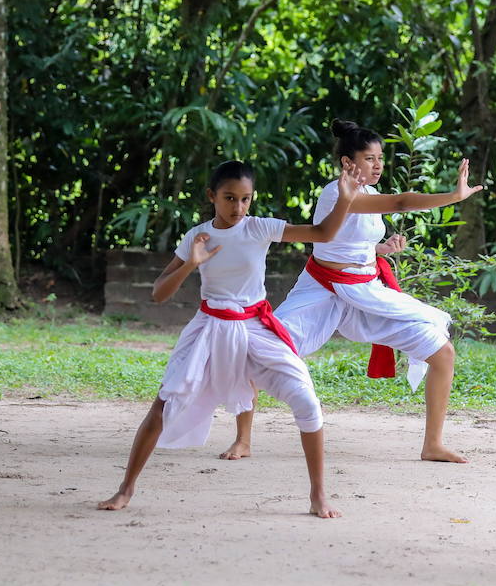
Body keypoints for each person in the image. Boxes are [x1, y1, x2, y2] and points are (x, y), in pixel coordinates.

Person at [97, 159, 366, 519]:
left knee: (306, 401)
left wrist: (345, 200)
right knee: (164, 404)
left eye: (245, 199)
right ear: (212, 196)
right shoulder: (197, 236)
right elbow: (159, 294)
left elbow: (322, 234)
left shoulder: (259, 228)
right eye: (229, 198)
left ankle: (318, 495)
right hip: (208, 327)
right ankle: (125, 488)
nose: (238, 208)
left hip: (255, 327)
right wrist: (191, 263)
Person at [224, 120, 483, 463]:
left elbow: (348, 241)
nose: (378, 165)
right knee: (259, 350)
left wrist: (379, 249)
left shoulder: (370, 194)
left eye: (380, 158)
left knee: (442, 352)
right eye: (369, 158)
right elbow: (401, 202)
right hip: (322, 290)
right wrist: (453, 196)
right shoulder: (337, 193)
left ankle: (432, 444)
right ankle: (243, 440)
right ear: (348, 163)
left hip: (365, 292)